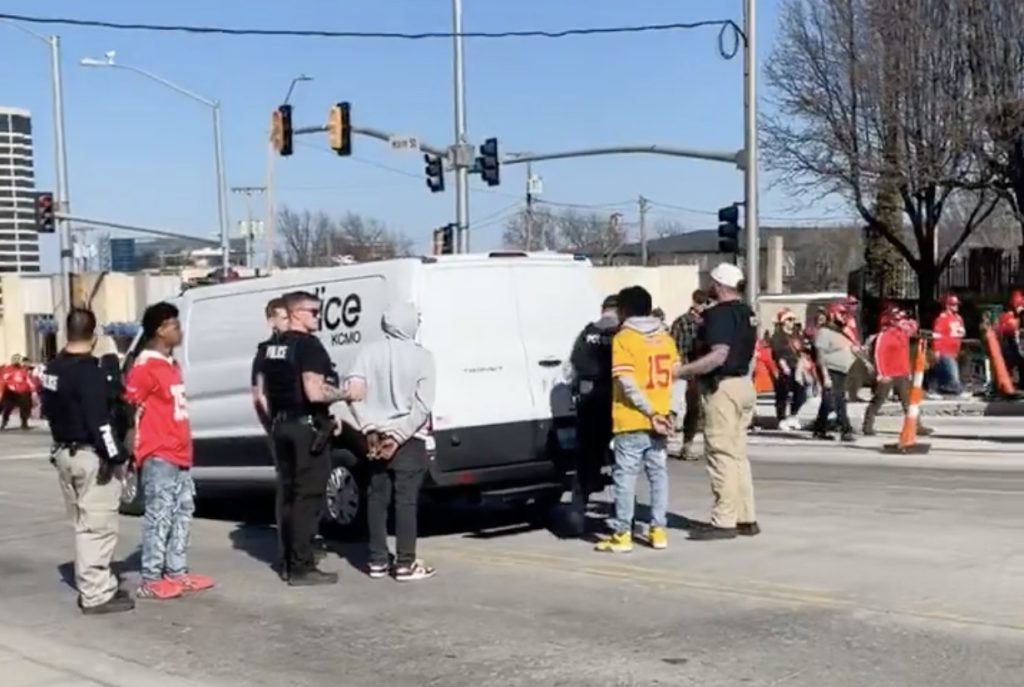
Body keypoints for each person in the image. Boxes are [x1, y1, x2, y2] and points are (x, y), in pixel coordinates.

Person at [41, 308, 134, 615]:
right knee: (98, 527)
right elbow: (101, 422)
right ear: (94, 336)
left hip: (64, 452)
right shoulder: (89, 372)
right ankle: (96, 593)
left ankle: (94, 582)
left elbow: (49, 411)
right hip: (89, 454)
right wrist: (117, 456)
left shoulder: (52, 370)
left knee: (82, 523)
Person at [125, 302, 214, 600]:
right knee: (159, 514)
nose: (180, 330)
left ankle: (176, 570)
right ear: (160, 330)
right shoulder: (144, 367)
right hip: (158, 452)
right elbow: (129, 409)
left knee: (183, 511)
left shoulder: (171, 365)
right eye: (175, 325)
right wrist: (130, 454)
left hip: (180, 451)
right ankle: (151, 577)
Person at [344, 302, 437, 581]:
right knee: (406, 501)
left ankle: (377, 561)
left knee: (376, 498)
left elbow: (353, 394)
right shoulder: (423, 357)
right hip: (408, 437)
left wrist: (369, 428)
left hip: (374, 436)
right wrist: (397, 437)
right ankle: (405, 563)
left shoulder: (367, 353)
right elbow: (423, 405)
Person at [263, 290, 344, 586]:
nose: (319, 317)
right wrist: (346, 394)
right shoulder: (309, 346)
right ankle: (301, 565)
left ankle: (288, 561)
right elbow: (314, 391)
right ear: (296, 313)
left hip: (281, 426)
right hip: (304, 428)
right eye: (313, 312)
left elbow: (264, 393)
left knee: (289, 497)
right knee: (308, 498)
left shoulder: (274, 347)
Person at [675, 263, 758, 541]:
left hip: (723, 388)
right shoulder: (747, 313)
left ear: (719, 285)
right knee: (737, 456)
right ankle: (745, 517)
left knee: (721, 454)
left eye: (712, 282)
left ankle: (724, 521)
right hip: (745, 384)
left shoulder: (719, 316)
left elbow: (719, 355)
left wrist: (682, 371)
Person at [596, 286, 682, 554]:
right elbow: (676, 375)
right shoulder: (665, 338)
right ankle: (658, 530)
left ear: (624, 310)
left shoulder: (625, 338)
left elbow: (626, 381)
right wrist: (669, 411)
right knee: (658, 475)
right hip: (660, 418)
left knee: (625, 477)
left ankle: (622, 533)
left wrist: (649, 412)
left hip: (632, 418)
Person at [567, 294, 619, 531]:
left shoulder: (587, 333)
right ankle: (622, 516)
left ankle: (577, 512)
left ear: (602, 309)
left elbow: (575, 364)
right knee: (622, 463)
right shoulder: (621, 334)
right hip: (616, 401)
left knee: (585, 459)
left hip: (589, 402)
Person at [251, 296, 290, 577]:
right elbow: (258, 394)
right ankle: (287, 548)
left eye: (289, 315)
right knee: (288, 488)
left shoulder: (297, 346)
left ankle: (299, 543)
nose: (286, 321)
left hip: (297, 424)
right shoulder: (266, 351)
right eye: (281, 316)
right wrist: (269, 425)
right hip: (282, 425)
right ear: (271, 320)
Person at [863, 308, 933, 437]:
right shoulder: (884, 335)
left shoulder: (902, 333)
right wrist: (881, 374)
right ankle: (867, 426)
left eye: (902, 319)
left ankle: (917, 425)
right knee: (879, 400)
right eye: (898, 319)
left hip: (902, 373)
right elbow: (879, 355)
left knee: (909, 402)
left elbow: (914, 329)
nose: (902, 322)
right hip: (888, 373)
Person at [668, 289, 709, 460]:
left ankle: (687, 445)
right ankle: (672, 442)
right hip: (685, 371)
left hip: (696, 372)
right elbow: (676, 348)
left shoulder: (705, 323)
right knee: (675, 409)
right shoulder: (683, 323)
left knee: (694, 410)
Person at [812, 303, 858, 442]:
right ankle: (845, 429)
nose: (844, 316)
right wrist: (825, 376)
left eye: (845, 314)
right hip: (830, 370)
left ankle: (819, 429)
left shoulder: (839, 331)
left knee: (830, 401)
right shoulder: (824, 332)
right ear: (832, 315)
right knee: (837, 400)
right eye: (841, 313)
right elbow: (820, 355)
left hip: (841, 371)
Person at [770, 310, 806, 430]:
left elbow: (802, 352)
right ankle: (781, 418)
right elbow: (777, 353)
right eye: (789, 319)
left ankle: (793, 415)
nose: (792, 322)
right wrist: (783, 366)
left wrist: (800, 369)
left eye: (793, 320)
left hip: (797, 367)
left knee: (801, 393)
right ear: (783, 322)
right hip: (783, 367)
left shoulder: (797, 335)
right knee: (782, 394)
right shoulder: (777, 336)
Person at [929, 293, 968, 399]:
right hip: (944, 350)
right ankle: (958, 389)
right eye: (953, 304)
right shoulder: (942, 318)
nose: (956, 307)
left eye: (957, 304)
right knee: (952, 372)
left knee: (943, 372)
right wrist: (936, 350)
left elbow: (961, 332)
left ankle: (938, 389)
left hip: (954, 350)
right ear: (947, 306)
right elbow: (937, 335)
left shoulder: (959, 318)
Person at [1, 354, 34, 430]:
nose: (16, 361)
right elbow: (4, 378)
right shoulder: (8, 369)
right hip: (10, 391)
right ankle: (4, 421)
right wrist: (9, 383)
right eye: (15, 359)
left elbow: (27, 379)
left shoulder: (23, 370)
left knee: (25, 406)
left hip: (21, 392)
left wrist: (32, 388)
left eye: (18, 359)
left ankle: (24, 422)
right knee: (8, 406)